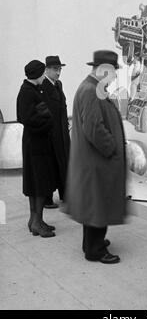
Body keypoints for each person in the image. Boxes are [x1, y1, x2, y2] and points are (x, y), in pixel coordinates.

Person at [66, 50, 127, 264]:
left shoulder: (92, 88)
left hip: (94, 161)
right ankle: (95, 250)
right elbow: (94, 129)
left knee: (95, 205)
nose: (114, 77)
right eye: (112, 73)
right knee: (98, 206)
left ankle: (91, 243)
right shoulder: (91, 91)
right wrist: (112, 148)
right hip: (98, 162)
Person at [16, 60, 57, 238]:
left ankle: (35, 220)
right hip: (36, 143)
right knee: (39, 184)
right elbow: (25, 118)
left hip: (35, 142)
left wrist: (45, 118)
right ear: (39, 74)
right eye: (43, 73)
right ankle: (37, 222)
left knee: (36, 183)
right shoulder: (27, 92)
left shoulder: (31, 90)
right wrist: (47, 123)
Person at [42, 56, 70, 208]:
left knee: (63, 163)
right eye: (55, 69)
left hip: (61, 132)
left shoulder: (58, 84)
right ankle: (47, 199)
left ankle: (65, 195)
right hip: (50, 133)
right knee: (50, 166)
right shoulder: (43, 86)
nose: (58, 72)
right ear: (46, 70)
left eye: (60, 69)